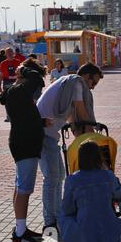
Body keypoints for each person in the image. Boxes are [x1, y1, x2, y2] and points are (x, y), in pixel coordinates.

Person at [37, 62, 104, 232]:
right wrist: (92, 140)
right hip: (43, 134)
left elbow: (73, 120)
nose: (93, 88)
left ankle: (57, 216)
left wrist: (84, 137)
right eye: (93, 83)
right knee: (52, 179)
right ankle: (50, 222)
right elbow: (82, 114)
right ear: (86, 77)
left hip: (48, 135)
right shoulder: (77, 84)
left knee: (57, 177)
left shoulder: (69, 83)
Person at [0, 58, 51, 242]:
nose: (37, 94)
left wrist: (41, 122)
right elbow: (37, 78)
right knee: (24, 189)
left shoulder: (13, 91)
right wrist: (24, 70)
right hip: (26, 144)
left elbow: (23, 115)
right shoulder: (21, 90)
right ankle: (20, 236)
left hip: (21, 141)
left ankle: (20, 229)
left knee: (19, 186)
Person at [59, 141, 121, 242]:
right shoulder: (108, 176)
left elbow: (67, 208)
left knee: (63, 216)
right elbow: (119, 193)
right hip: (108, 226)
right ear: (99, 159)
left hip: (85, 229)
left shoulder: (72, 180)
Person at [0, 48, 22, 122]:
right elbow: (1, 74)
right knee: (7, 100)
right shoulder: (3, 63)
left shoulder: (18, 62)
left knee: (18, 99)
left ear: (13, 53)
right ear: (5, 54)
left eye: (11, 52)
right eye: (8, 52)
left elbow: (22, 73)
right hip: (6, 82)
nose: (9, 53)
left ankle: (18, 115)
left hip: (17, 82)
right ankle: (8, 116)